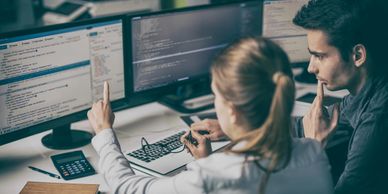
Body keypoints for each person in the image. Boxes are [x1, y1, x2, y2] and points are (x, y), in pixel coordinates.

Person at [87, 37, 333, 194]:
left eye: (216, 95)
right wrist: (205, 161)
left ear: (233, 111)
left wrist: (104, 132)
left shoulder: (215, 175)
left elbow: (126, 187)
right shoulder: (314, 152)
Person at [193, 0, 388, 193]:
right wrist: (243, 126)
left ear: (357, 55)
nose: (311, 68)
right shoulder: (364, 93)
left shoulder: (377, 120)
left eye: (320, 56)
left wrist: (314, 149)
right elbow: (308, 125)